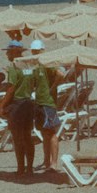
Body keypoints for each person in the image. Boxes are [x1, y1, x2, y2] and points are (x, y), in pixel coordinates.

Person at [0, 38, 37, 179]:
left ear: (14, 52)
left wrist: (1, 106)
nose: (7, 54)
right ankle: (30, 168)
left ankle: (21, 168)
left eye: (8, 52)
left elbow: (11, 89)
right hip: (29, 103)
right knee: (27, 136)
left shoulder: (14, 67)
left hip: (18, 104)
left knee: (17, 138)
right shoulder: (29, 66)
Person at [28, 38, 63, 173]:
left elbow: (61, 74)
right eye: (34, 51)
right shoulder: (36, 66)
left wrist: (52, 88)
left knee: (52, 132)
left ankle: (53, 163)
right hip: (39, 102)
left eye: (37, 51)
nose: (35, 53)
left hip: (48, 103)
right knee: (44, 132)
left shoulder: (48, 63)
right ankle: (46, 161)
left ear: (42, 51)